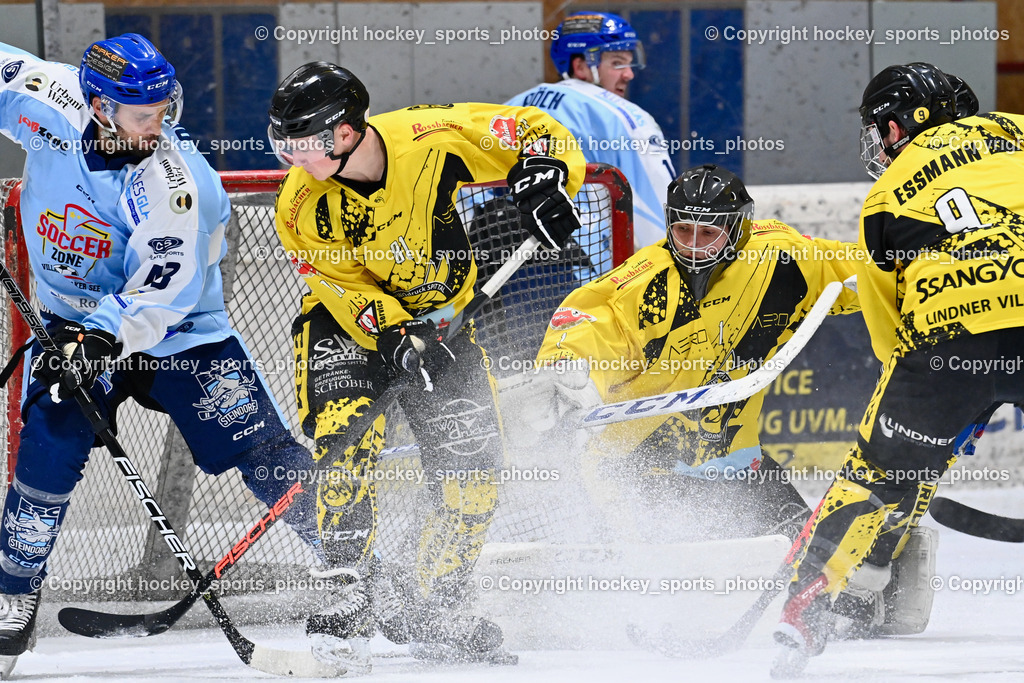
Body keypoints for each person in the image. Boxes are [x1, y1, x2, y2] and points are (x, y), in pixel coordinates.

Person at [0, 35, 327, 676]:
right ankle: (13, 595)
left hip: (182, 331)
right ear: (99, 106)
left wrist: (101, 338)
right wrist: (84, 337)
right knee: (45, 455)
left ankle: (357, 563)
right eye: (143, 115)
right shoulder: (45, 99)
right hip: (73, 328)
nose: (159, 125)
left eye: (164, 110)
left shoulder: (178, 182)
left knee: (264, 453)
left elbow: (164, 288)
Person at [267, 61, 586, 670]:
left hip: (447, 323)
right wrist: (394, 334)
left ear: (345, 131)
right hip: (349, 328)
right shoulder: (300, 203)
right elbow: (338, 285)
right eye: (282, 142)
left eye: (302, 142)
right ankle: (347, 602)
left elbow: (535, 131)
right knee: (345, 442)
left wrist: (546, 179)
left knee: (473, 469)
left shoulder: (430, 139)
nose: (291, 157)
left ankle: (437, 606)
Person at [770, 62, 1023, 677]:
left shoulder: (888, 192)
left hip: (946, 340)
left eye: (880, 127)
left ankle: (806, 604)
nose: (879, 141)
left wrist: (940, 409)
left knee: (875, 474)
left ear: (900, 124)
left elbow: (891, 333)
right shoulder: (1015, 130)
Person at [504, 163, 861, 544]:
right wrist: (566, 373)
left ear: (738, 229)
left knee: (814, 559)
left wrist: (903, 277)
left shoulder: (780, 260)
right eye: (683, 230)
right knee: (677, 576)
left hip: (738, 464)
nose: (693, 245)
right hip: (637, 472)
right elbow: (589, 321)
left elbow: (866, 269)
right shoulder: (645, 286)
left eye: (708, 233)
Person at [505, 11, 676, 259]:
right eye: (617, 63)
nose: (629, 74)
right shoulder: (625, 117)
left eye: (629, 63)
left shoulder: (509, 110)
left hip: (506, 269)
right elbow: (661, 213)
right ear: (581, 66)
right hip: (593, 271)